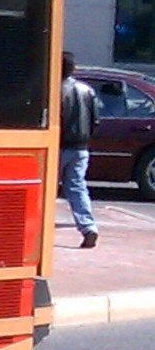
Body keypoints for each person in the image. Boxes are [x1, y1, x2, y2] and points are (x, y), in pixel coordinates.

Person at [61, 53, 100, 251]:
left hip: (60, 145)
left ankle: (36, 230)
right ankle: (88, 227)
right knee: (77, 187)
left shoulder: (54, 91)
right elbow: (95, 120)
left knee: (46, 189)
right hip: (81, 147)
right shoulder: (87, 90)